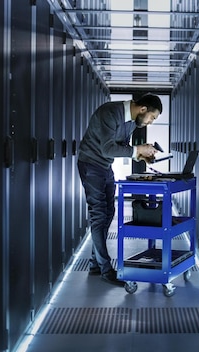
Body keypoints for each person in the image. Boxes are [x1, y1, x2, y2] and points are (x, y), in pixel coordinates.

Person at [77, 93, 162, 285]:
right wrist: (137, 150)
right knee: (98, 214)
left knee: (109, 212)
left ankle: (95, 264)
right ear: (143, 109)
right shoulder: (110, 112)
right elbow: (108, 149)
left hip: (104, 167)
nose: (150, 122)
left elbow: (122, 146)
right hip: (90, 165)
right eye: (152, 117)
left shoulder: (132, 122)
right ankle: (105, 270)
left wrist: (142, 155)